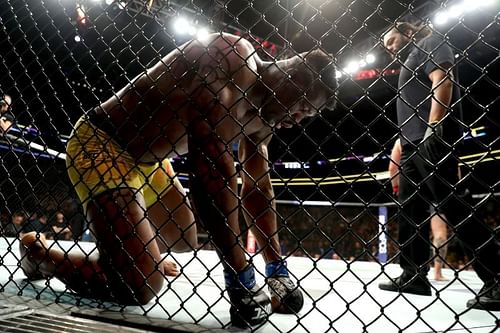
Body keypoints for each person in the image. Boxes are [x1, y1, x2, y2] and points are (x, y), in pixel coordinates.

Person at [20, 32, 338, 327]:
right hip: (105, 144)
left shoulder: (265, 117)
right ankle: (39, 255)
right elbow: (211, 170)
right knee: (141, 285)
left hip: (155, 162)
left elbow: (258, 188)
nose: (296, 121)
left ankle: (133, 251)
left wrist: (276, 269)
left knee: (185, 239)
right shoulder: (231, 58)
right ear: (293, 78)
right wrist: (241, 277)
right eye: (302, 109)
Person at [378, 22, 500, 311]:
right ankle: (413, 274)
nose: (390, 49)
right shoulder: (408, 60)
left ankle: (496, 276)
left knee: (451, 204)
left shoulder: (429, 43)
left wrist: (435, 126)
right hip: (411, 143)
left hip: (431, 139)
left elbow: (442, 79)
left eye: (392, 41)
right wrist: (401, 141)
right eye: (386, 47)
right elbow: (412, 105)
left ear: (406, 32)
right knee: (410, 209)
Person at [388, 139, 449, 281]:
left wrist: (395, 187)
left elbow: (392, 167)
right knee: (439, 235)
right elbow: (454, 166)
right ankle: (437, 273)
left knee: (413, 229)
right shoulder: (438, 135)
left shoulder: (404, 138)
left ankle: (413, 272)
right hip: (437, 188)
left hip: (414, 189)